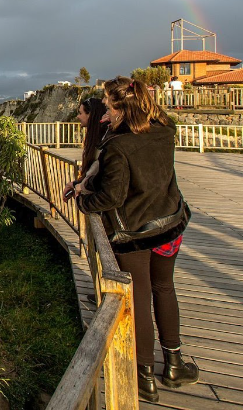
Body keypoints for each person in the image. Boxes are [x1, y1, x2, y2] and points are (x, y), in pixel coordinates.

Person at [75, 77, 198, 403]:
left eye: (109, 106)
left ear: (121, 108)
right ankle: (174, 364)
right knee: (165, 288)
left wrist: (81, 199)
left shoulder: (119, 146)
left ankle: (144, 376)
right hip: (171, 224)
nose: (105, 112)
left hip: (134, 235)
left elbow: (110, 197)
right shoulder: (165, 129)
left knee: (140, 297)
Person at [62, 96, 108, 200]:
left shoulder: (103, 141)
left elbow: (96, 171)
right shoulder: (98, 137)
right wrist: (75, 184)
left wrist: (79, 186)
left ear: (90, 115)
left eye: (81, 113)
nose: (78, 116)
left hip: (98, 202)